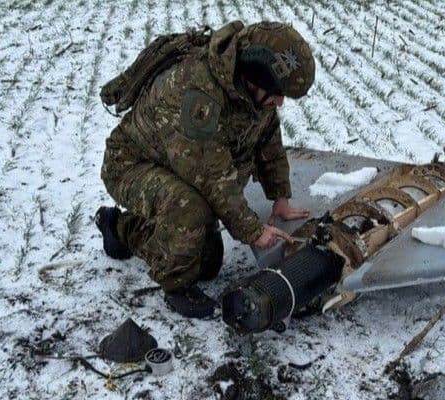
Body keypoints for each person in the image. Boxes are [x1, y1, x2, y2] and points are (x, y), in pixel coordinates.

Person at [95, 21, 315, 319]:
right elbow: (212, 176)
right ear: (255, 75)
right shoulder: (195, 93)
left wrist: (281, 197)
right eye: (277, 92)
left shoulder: (249, 90)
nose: (280, 102)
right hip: (132, 165)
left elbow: (268, 141)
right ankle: (176, 285)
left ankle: (119, 229)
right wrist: (252, 230)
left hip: (179, 166)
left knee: (208, 264)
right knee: (189, 211)